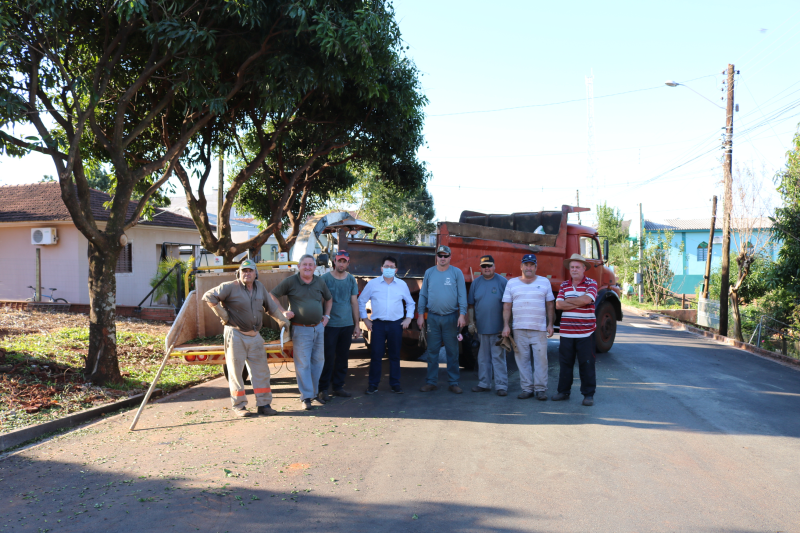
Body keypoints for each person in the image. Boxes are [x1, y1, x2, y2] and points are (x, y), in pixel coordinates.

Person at [202, 259, 290, 418]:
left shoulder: (260, 288)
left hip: (255, 336)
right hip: (235, 335)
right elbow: (208, 296)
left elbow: (271, 307)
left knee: (261, 372)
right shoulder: (230, 287)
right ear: (239, 273)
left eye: (250, 271)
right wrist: (222, 314)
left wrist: (283, 321)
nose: (247, 273)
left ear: (255, 273)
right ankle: (239, 406)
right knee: (236, 372)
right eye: (244, 271)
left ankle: (264, 405)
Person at [271, 254, 333, 411]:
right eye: (304, 264)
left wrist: (326, 316)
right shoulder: (291, 281)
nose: (307, 267)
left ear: (315, 267)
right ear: (299, 266)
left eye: (310, 265)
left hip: (318, 327)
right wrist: (283, 311)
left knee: (318, 362)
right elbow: (272, 296)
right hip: (300, 328)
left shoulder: (319, 281)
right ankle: (306, 397)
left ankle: (313, 393)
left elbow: (329, 299)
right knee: (303, 364)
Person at [358, 256, 415, 394]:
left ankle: (395, 384)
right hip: (377, 325)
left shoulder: (402, 284)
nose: (389, 269)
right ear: (381, 268)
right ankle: (373, 385)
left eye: (392, 267)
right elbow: (361, 301)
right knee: (376, 355)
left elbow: (410, 303)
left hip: (396, 324)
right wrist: (365, 319)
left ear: (396, 269)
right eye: (386, 266)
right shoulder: (373, 284)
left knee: (395, 355)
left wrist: (408, 318)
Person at [501, 253, 555, 400]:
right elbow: (507, 306)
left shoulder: (544, 282)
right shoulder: (512, 283)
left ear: (536, 267)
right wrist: (506, 325)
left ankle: (541, 389)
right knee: (522, 360)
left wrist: (550, 324)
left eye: (532, 265)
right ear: (521, 266)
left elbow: (550, 305)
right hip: (519, 329)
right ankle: (527, 389)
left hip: (539, 329)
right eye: (526, 264)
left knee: (541, 360)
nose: (529, 267)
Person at [416, 245, 467, 394]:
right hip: (432, 318)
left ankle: (454, 382)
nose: (443, 258)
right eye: (440, 255)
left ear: (450, 257)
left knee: (452, 352)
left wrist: (462, 315)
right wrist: (420, 315)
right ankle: (431, 382)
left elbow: (462, 295)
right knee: (432, 351)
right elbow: (423, 295)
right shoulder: (429, 273)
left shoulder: (456, 273)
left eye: (446, 256)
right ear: (436, 257)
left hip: (451, 318)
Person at [553, 254, 598, 406]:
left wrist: (569, 301)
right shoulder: (564, 285)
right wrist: (579, 302)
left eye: (577, 267)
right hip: (566, 333)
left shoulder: (592, 283)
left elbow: (587, 300)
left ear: (584, 268)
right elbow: (558, 305)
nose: (574, 269)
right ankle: (563, 392)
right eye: (572, 267)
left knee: (586, 363)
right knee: (565, 364)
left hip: (586, 332)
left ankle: (588, 394)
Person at [318, 250, 360, 402]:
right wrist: (321, 321)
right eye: (339, 261)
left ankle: (338, 387)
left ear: (348, 263)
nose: (341, 264)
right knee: (328, 358)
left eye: (344, 261)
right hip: (330, 325)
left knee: (342, 357)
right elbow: (321, 301)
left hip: (346, 325)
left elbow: (354, 302)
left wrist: (357, 325)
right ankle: (322, 389)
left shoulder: (351, 280)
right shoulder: (325, 279)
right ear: (334, 262)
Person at [468, 255, 509, 396]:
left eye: (489, 266)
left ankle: (501, 386)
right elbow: (471, 305)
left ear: (494, 266)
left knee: (498, 357)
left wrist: (507, 325)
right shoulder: (476, 283)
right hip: (482, 328)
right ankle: (484, 383)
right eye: (484, 266)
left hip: (498, 329)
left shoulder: (503, 282)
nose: (487, 268)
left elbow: (508, 306)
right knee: (483, 358)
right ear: (480, 268)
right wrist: (471, 322)